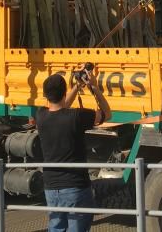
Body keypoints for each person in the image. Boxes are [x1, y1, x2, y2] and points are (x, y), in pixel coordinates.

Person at [36, 69, 112, 232]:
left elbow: (61, 109)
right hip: (75, 186)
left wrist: (77, 87)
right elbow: (107, 114)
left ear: (45, 95)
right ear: (64, 92)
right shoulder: (77, 116)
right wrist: (94, 87)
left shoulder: (41, 116)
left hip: (51, 187)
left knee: (56, 228)